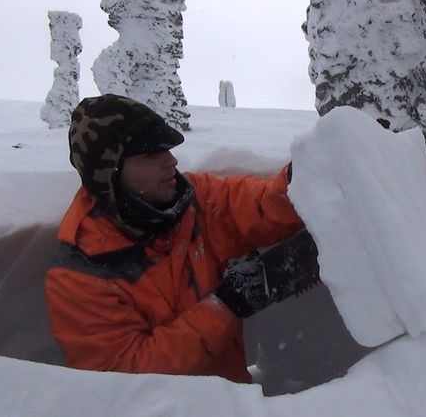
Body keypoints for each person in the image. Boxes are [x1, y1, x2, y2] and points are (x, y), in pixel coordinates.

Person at [45, 94, 309, 383]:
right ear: (109, 173)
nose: (171, 161)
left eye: (167, 150)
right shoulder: (80, 275)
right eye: (150, 155)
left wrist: (306, 177)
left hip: (236, 399)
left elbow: (260, 206)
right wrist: (227, 304)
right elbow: (128, 380)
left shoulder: (192, 201)